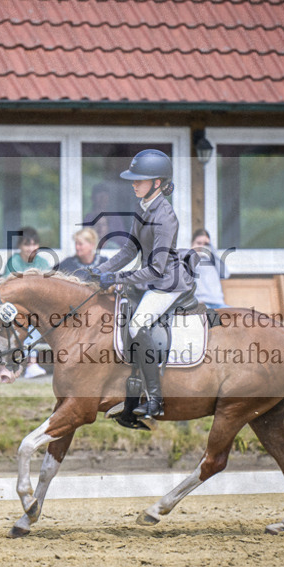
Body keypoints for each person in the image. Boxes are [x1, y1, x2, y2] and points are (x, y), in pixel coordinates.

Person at [93, 149, 194, 418]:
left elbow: (156, 268)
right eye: (133, 179)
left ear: (157, 183)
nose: (134, 183)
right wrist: (95, 270)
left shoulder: (165, 217)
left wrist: (115, 278)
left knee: (137, 324)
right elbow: (128, 251)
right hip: (149, 280)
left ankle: (155, 399)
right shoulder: (143, 208)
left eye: (139, 179)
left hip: (166, 284)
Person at [3, 227, 52, 379]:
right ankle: (31, 364)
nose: (31, 248)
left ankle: (31, 364)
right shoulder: (14, 262)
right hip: (17, 308)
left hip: (37, 308)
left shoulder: (42, 262)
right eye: (27, 245)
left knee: (36, 320)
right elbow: (9, 289)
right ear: (20, 246)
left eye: (34, 244)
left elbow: (47, 288)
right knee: (28, 320)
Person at [190, 228, 229, 309]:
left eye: (206, 244)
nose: (203, 247)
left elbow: (225, 274)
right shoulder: (189, 260)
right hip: (201, 304)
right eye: (199, 243)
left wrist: (213, 253)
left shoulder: (212, 260)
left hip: (218, 303)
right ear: (192, 244)